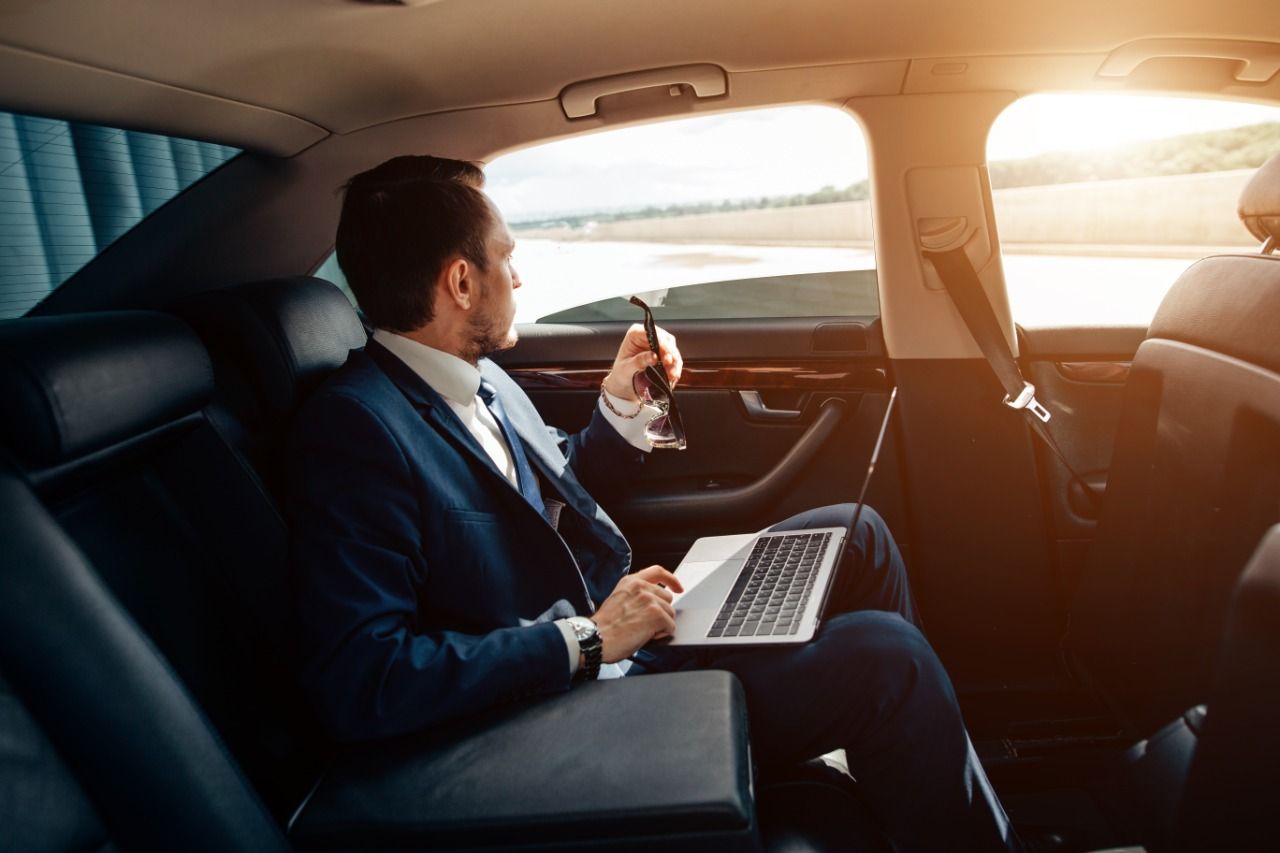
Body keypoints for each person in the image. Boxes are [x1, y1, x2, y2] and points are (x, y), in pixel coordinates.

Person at [287, 155, 1023, 852]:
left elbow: (550, 488)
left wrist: (618, 404)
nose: (519, 271)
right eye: (504, 256)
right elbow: (366, 676)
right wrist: (585, 638)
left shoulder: (479, 376)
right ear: (460, 282)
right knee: (887, 658)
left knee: (856, 532)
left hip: (612, 637)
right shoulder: (358, 429)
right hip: (556, 706)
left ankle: (914, 777)